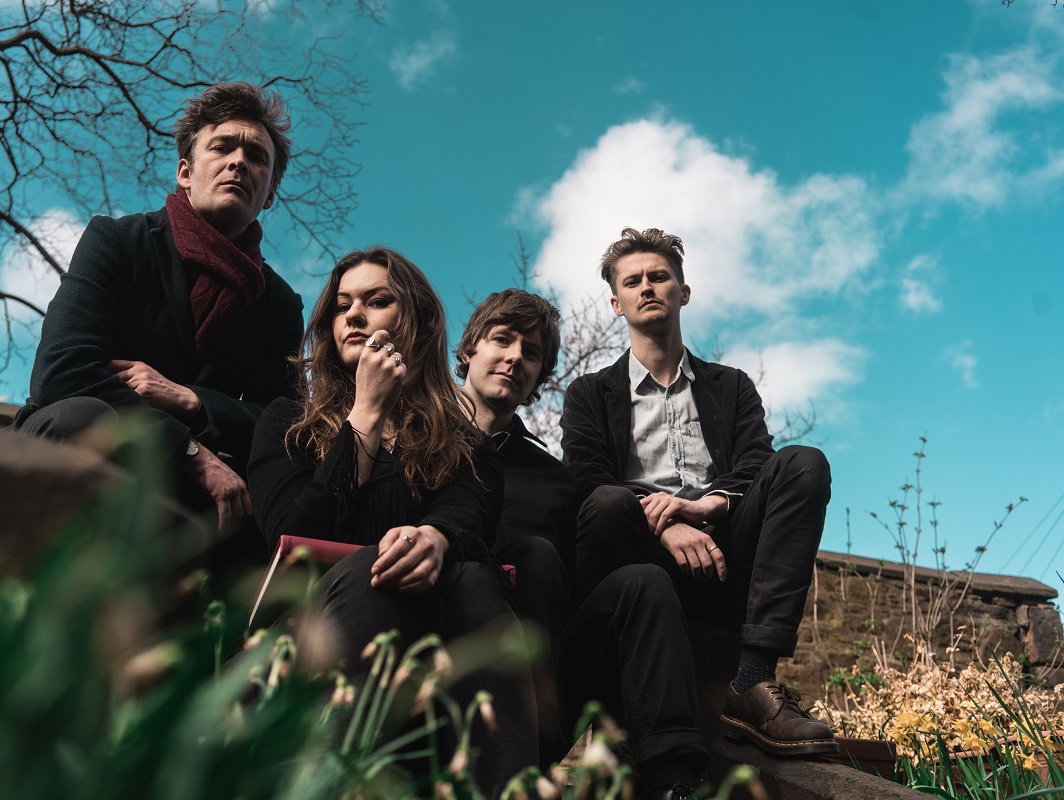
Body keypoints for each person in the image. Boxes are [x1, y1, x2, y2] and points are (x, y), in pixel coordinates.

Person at [246, 248, 534, 798]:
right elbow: (295, 538)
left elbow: (469, 510)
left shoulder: (467, 443)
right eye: (342, 305)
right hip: (304, 646)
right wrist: (366, 416)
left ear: (419, 323)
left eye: (378, 301)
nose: (354, 315)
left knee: (474, 575)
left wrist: (434, 537)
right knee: (368, 570)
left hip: (429, 656)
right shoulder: (287, 425)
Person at [560, 228, 837, 758]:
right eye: (633, 281)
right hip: (639, 560)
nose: (647, 287)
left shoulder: (729, 385)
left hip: (724, 552)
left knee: (804, 464)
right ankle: (619, 705)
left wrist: (707, 504)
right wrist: (664, 521)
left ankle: (752, 682)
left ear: (682, 292)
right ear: (616, 303)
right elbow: (587, 477)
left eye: (659, 277)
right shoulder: (591, 393)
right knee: (607, 503)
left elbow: (757, 459)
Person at [14, 82, 304, 535]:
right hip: (84, 449)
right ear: (185, 172)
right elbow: (61, 371)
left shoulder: (279, 303)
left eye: (257, 157)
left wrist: (193, 401)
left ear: (268, 194)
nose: (238, 162)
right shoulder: (119, 241)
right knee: (83, 417)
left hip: (197, 492)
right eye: (222, 147)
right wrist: (186, 449)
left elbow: (283, 422)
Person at [457, 289, 707, 799]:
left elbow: (579, 587)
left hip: (543, 687)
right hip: (444, 658)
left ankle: (671, 782)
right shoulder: (412, 435)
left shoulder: (555, 480)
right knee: (533, 556)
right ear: (468, 351)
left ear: (537, 382)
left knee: (641, 582)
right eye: (501, 341)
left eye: (531, 354)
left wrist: (671, 520)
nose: (513, 358)